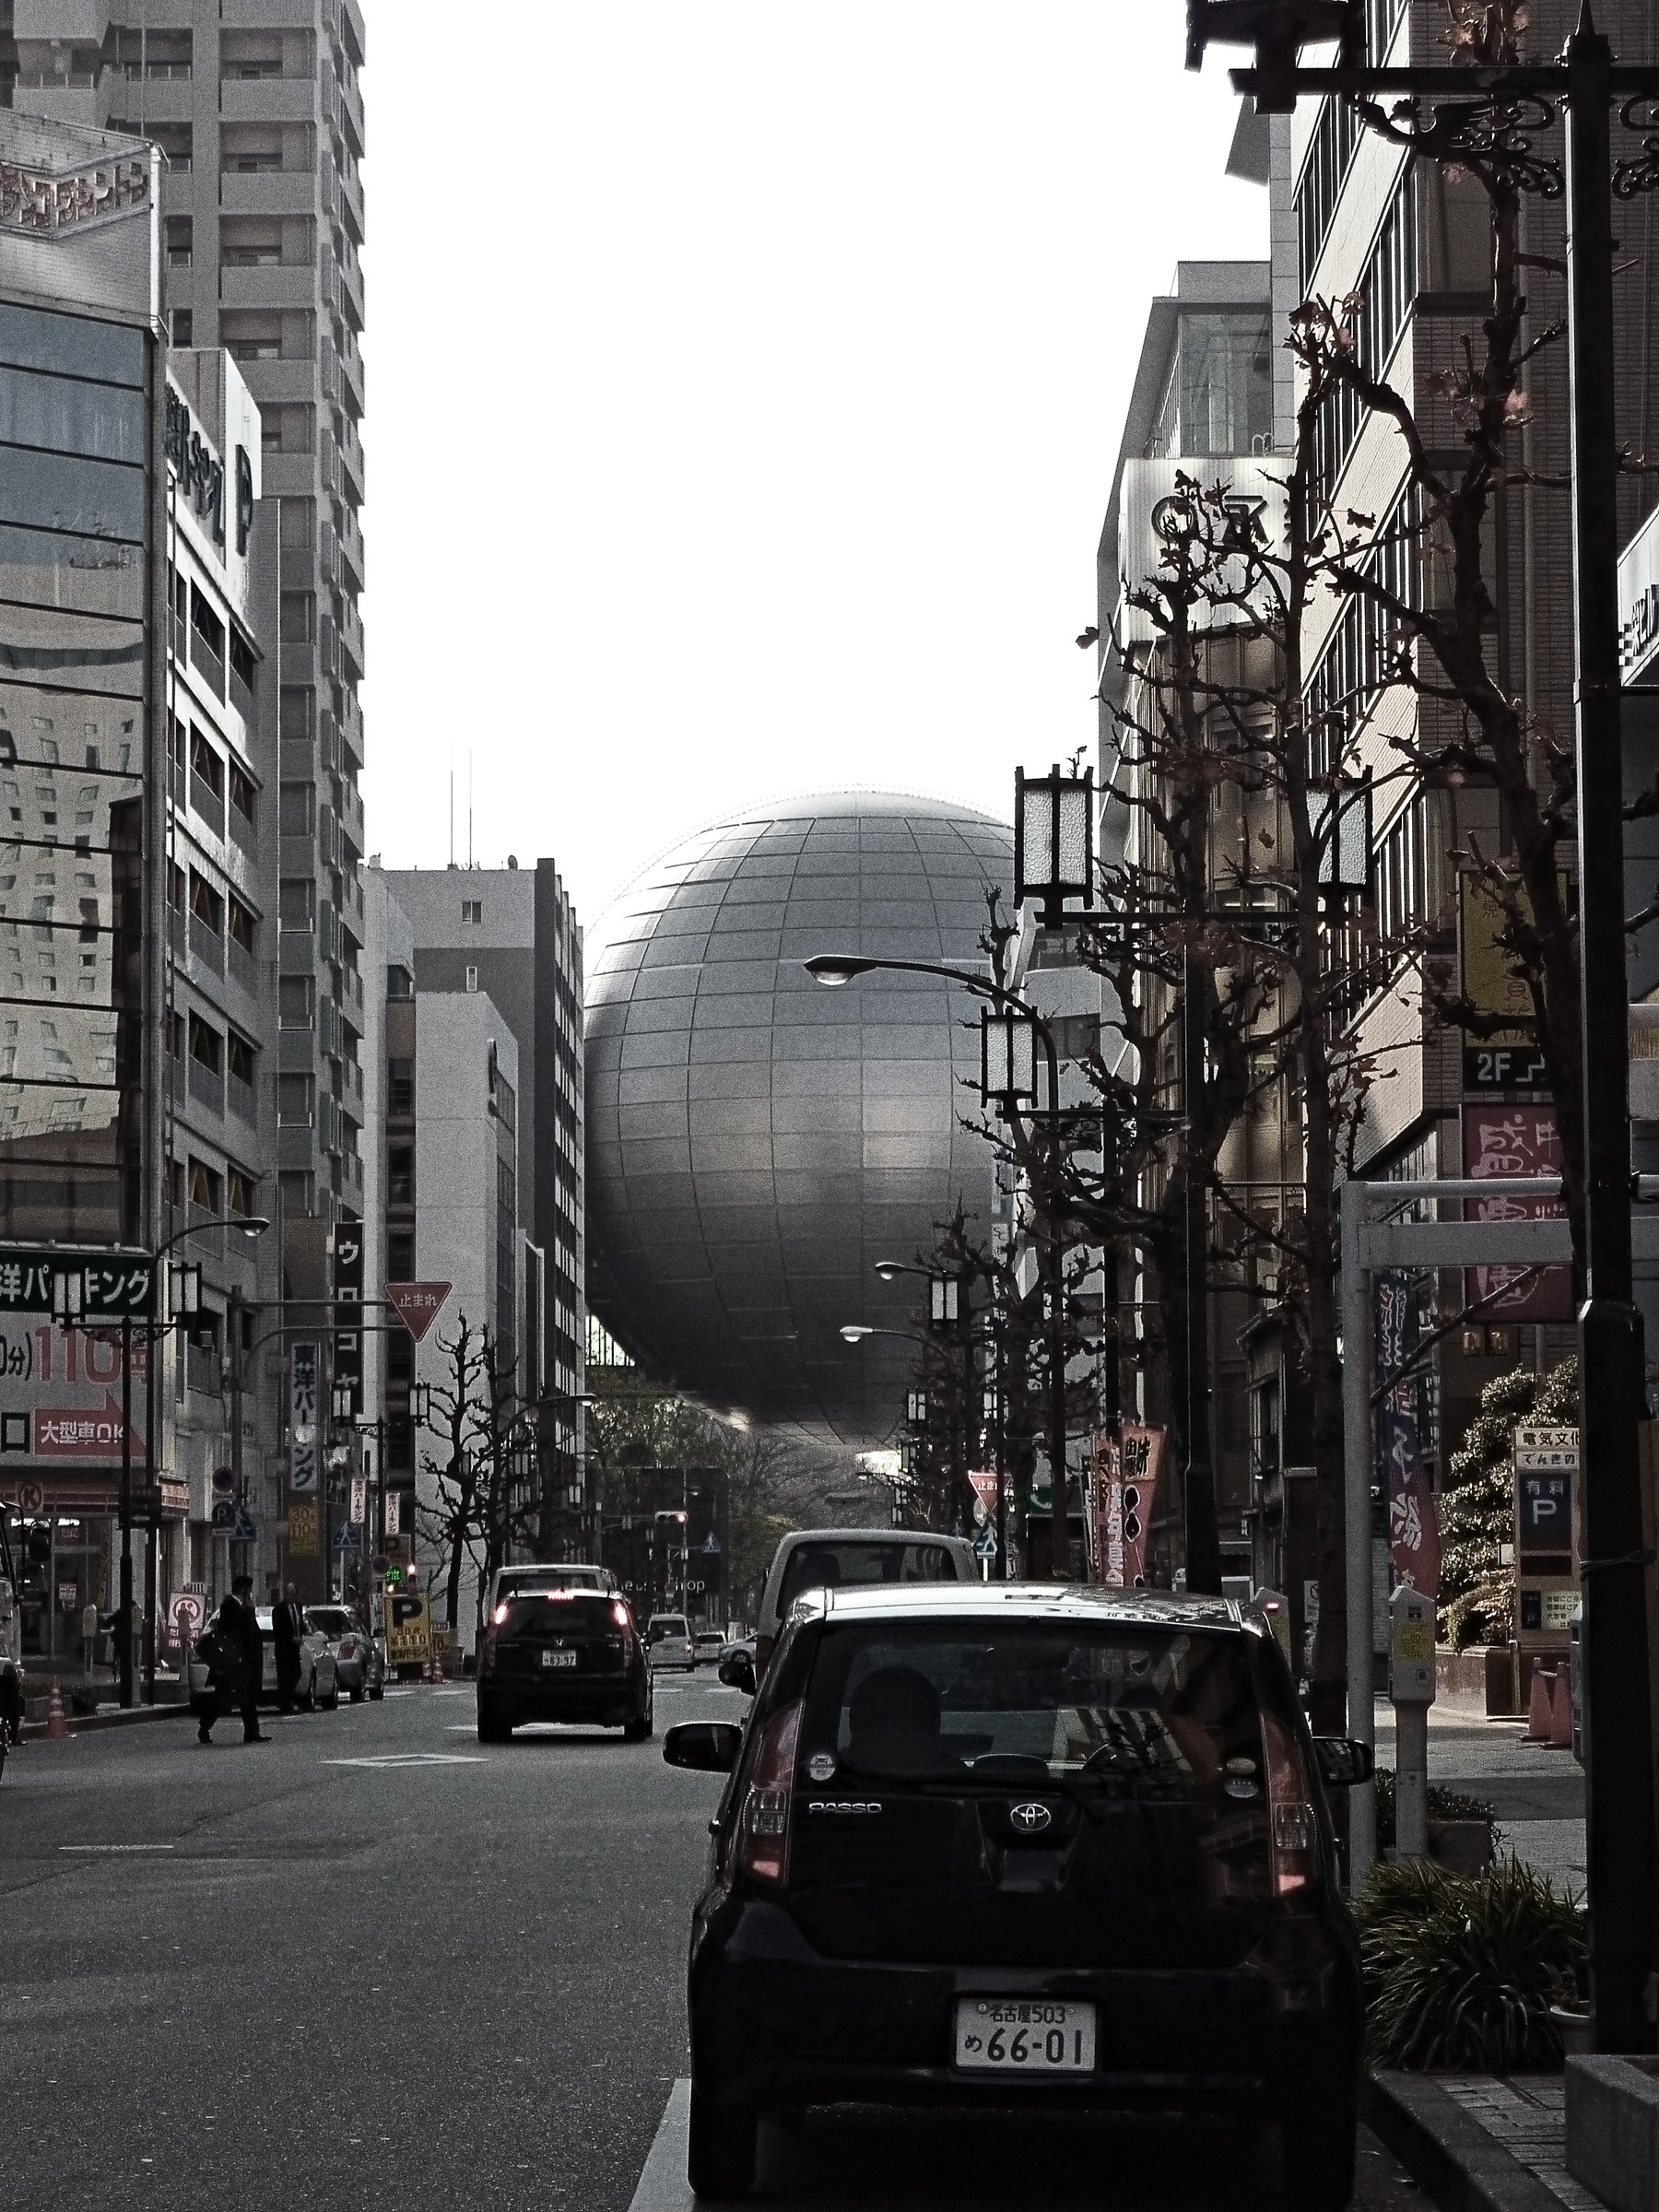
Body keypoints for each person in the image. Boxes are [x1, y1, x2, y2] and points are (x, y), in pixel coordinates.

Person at [199, 1575, 268, 1745]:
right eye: (250, 1589)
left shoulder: (244, 1606)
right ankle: (205, 1727)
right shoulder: (230, 1605)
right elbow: (231, 1631)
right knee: (223, 1696)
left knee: (245, 1696)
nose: (252, 1592)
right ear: (244, 1589)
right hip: (231, 1660)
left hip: (241, 1660)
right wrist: (246, 1611)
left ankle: (252, 1732)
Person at [272, 1582, 304, 1713]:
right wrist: (291, 1638)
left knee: (296, 1673)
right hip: (283, 1648)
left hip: (295, 1647)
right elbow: (278, 1630)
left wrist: (301, 1635)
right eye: (288, 1594)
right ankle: (285, 1703)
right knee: (284, 1676)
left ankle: (284, 1699)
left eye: (293, 1594)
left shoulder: (298, 1607)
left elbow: (300, 1624)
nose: (291, 1596)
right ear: (284, 1594)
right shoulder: (278, 1610)